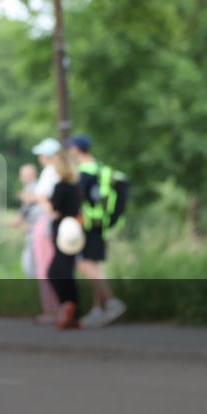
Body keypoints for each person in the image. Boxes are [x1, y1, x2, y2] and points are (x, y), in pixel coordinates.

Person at [68, 134, 126, 328]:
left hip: (87, 223)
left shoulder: (84, 172)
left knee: (85, 264)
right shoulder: (101, 168)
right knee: (96, 265)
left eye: (70, 148)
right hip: (101, 222)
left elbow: (77, 200)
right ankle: (98, 310)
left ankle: (111, 302)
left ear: (76, 149)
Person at [46, 150, 83, 330]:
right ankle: (74, 312)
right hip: (73, 233)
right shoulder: (76, 186)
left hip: (62, 231)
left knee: (55, 272)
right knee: (66, 271)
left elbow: (54, 210)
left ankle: (67, 307)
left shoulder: (60, 187)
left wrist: (42, 201)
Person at [27, 138, 63, 324]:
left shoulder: (50, 172)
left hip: (45, 223)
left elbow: (42, 197)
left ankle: (52, 311)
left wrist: (49, 215)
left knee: (45, 268)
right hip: (54, 223)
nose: (40, 157)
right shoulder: (60, 171)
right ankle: (58, 309)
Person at [10, 163, 40, 276]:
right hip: (32, 230)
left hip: (34, 231)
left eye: (22, 174)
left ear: (30, 175)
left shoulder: (34, 188)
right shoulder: (30, 187)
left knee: (30, 263)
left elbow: (36, 211)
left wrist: (27, 224)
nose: (20, 177)